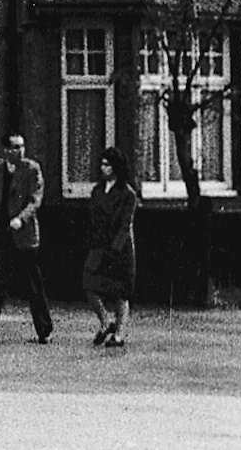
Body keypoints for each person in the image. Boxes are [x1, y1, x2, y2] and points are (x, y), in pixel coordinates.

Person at [0, 131, 54, 345]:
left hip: (23, 234)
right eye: (14, 147)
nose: (19, 150)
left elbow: (36, 200)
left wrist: (20, 219)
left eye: (21, 146)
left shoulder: (32, 169)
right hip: (2, 234)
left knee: (33, 283)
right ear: (5, 150)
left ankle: (44, 329)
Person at [83, 146, 138, 349]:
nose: (103, 168)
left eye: (107, 164)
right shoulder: (97, 191)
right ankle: (106, 321)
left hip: (119, 249)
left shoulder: (127, 194)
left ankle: (120, 334)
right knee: (89, 285)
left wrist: (115, 248)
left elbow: (125, 225)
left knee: (120, 293)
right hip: (99, 245)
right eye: (102, 164)